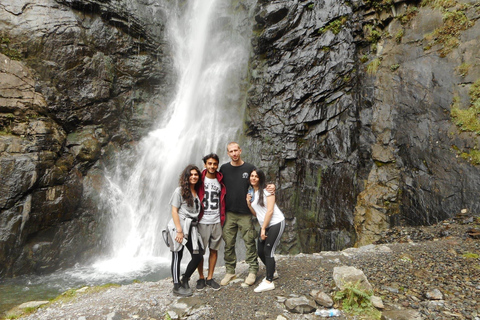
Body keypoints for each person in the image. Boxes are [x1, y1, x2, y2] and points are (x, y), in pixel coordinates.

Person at [219, 142, 274, 286]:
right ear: (228, 153)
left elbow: (259, 180)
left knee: (249, 242)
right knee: (229, 243)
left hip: (245, 213)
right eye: (231, 151)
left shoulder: (249, 168)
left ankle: (253, 270)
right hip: (229, 213)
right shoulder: (224, 168)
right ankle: (230, 271)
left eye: (236, 150)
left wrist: (271, 186)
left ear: (240, 150)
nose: (234, 153)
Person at [165, 164, 204, 296]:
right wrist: (179, 231)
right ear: (186, 177)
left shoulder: (196, 191)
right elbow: (174, 211)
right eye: (191, 174)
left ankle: (185, 278)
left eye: (196, 175)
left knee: (198, 255)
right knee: (177, 255)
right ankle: (176, 286)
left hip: (190, 228)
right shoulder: (179, 191)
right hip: (179, 227)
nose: (193, 177)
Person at [246, 168, 285, 293]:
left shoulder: (267, 191)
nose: (253, 178)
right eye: (252, 176)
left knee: (268, 250)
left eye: (256, 176)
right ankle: (272, 271)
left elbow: (270, 211)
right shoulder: (252, 193)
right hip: (266, 225)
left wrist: (263, 228)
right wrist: (248, 203)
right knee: (260, 251)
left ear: (260, 179)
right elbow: (256, 213)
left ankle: (269, 281)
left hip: (276, 223)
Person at [195, 153, 226, 290]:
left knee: (214, 250)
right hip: (202, 221)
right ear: (205, 165)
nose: (212, 166)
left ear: (217, 165)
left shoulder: (221, 180)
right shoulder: (198, 179)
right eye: (209, 163)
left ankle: (210, 277)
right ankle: (201, 277)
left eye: (214, 164)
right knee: (200, 251)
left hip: (216, 220)